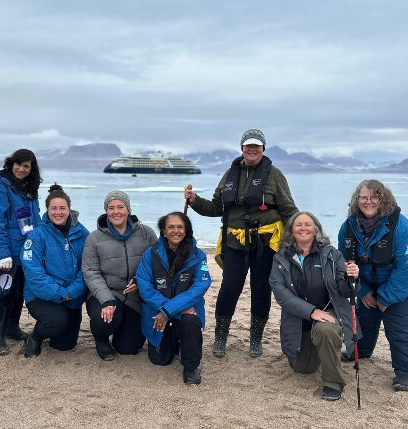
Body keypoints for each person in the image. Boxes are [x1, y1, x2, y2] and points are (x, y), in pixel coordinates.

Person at [184, 128, 298, 358]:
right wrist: (195, 201)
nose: (252, 149)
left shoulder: (275, 175)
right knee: (228, 289)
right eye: (248, 145)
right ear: (242, 148)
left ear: (263, 148)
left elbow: (288, 209)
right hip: (234, 243)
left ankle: (256, 338)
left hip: (266, 244)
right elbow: (216, 207)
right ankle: (220, 336)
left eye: (256, 145)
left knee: (261, 290)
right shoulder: (229, 174)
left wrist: (302, 233)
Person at [338, 179, 408, 392]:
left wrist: (384, 298)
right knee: (365, 314)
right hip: (371, 279)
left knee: (396, 323)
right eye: (363, 197)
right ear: (356, 200)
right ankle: (362, 351)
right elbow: (345, 263)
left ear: (384, 200)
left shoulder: (402, 227)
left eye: (375, 197)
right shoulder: (348, 226)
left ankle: (407, 371)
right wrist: (364, 291)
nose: (368, 202)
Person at [270, 212, 360, 401]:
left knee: (325, 329)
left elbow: (345, 290)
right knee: (304, 368)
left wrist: (352, 277)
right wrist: (311, 312)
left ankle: (332, 383)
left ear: (316, 229)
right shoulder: (281, 257)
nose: (303, 228)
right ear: (291, 230)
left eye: (308, 224)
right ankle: (323, 350)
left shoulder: (331, 254)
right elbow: (281, 294)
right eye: (298, 224)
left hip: (328, 311)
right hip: (299, 317)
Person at [136, 212, 212, 385]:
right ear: (163, 231)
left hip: (184, 311)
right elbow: (145, 287)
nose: (175, 231)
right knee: (160, 360)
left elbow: (200, 286)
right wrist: (166, 309)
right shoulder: (150, 254)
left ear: (186, 230)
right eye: (170, 227)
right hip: (159, 311)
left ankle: (191, 367)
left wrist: (168, 309)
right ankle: (173, 340)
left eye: (180, 227)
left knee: (190, 319)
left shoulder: (198, 255)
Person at [82, 190, 157, 360]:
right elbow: (91, 272)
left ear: (128, 209)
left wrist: (140, 281)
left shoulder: (146, 233)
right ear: (106, 211)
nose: (116, 212)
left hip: (135, 296)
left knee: (128, 348)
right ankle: (101, 339)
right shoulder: (94, 238)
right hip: (107, 293)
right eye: (111, 208)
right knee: (104, 320)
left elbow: (157, 263)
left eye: (120, 207)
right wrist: (106, 299)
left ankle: (124, 330)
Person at [20, 184, 89, 358]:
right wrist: (61, 293)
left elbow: (87, 267)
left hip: (72, 296)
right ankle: (35, 337)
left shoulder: (82, 233)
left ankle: (59, 324)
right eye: (53, 208)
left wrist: (72, 292)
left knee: (65, 345)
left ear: (69, 209)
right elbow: (33, 273)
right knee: (56, 322)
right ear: (47, 210)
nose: (58, 212)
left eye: (62, 208)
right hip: (41, 295)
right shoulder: (37, 235)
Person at [0, 149, 42, 356]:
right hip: (7, 250)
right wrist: (3, 253)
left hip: (26, 250)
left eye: (26, 166)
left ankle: (12, 327)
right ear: (11, 164)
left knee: (19, 291)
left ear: (31, 169)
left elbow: (35, 221)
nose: (21, 169)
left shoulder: (30, 190)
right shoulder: (0, 187)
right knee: (5, 291)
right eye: (18, 164)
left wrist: (40, 247)